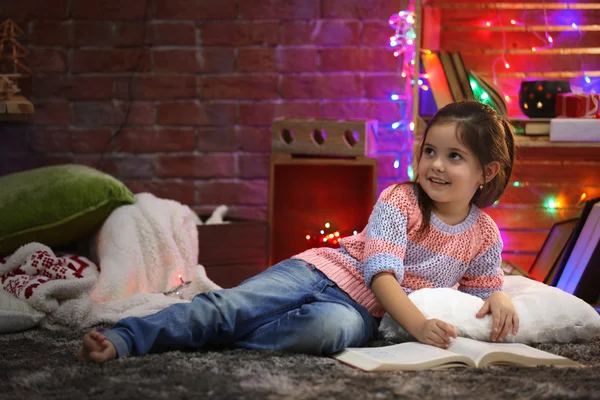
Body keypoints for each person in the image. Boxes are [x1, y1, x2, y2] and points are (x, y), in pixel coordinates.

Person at [79, 101, 519, 363]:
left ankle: (222, 335)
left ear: (488, 171)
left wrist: (498, 296)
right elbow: (381, 275)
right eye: (430, 152)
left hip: (364, 316)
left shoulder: (484, 234)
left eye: (455, 156)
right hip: (323, 272)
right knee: (234, 304)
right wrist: (419, 326)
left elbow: (477, 292)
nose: (436, 165)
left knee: (324, 333)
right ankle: (126, 339)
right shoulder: (400, 199)